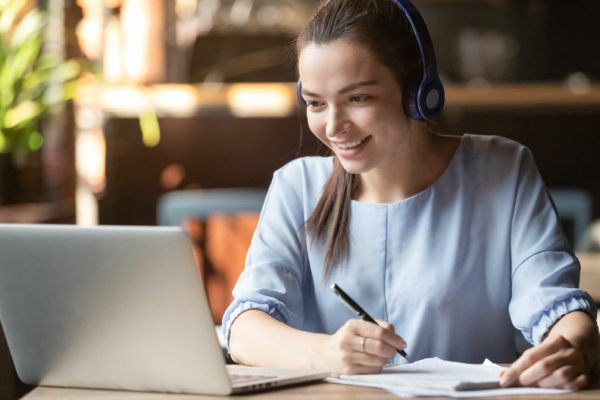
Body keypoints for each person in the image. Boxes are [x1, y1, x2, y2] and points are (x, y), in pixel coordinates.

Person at [222, 0, 599, 389]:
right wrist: (328, 353)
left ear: (418, 90)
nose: (333, 126)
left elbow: (554, 304)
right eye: (316, 103)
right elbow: (244, 329)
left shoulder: (502, 169)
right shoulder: (297, 186)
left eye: (357, 98)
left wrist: (574, 345)